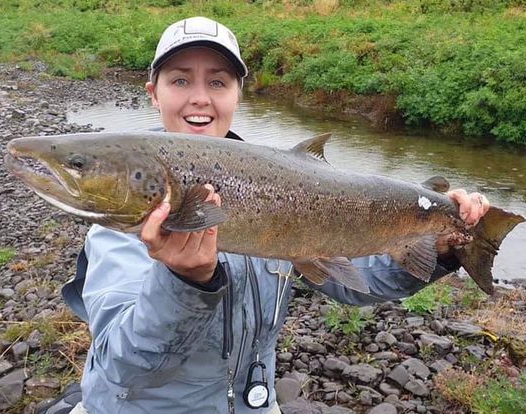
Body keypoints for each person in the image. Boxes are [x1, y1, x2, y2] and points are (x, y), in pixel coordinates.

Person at [39, 16, 491, 414]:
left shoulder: (276, 181)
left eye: (218, 82)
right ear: (152, 93)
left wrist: (445, 246)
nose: (199, 98)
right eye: (180, 80)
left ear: (239, 94)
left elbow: (360, 284)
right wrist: (185, 283)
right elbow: (125, 369)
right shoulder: (123, 231)